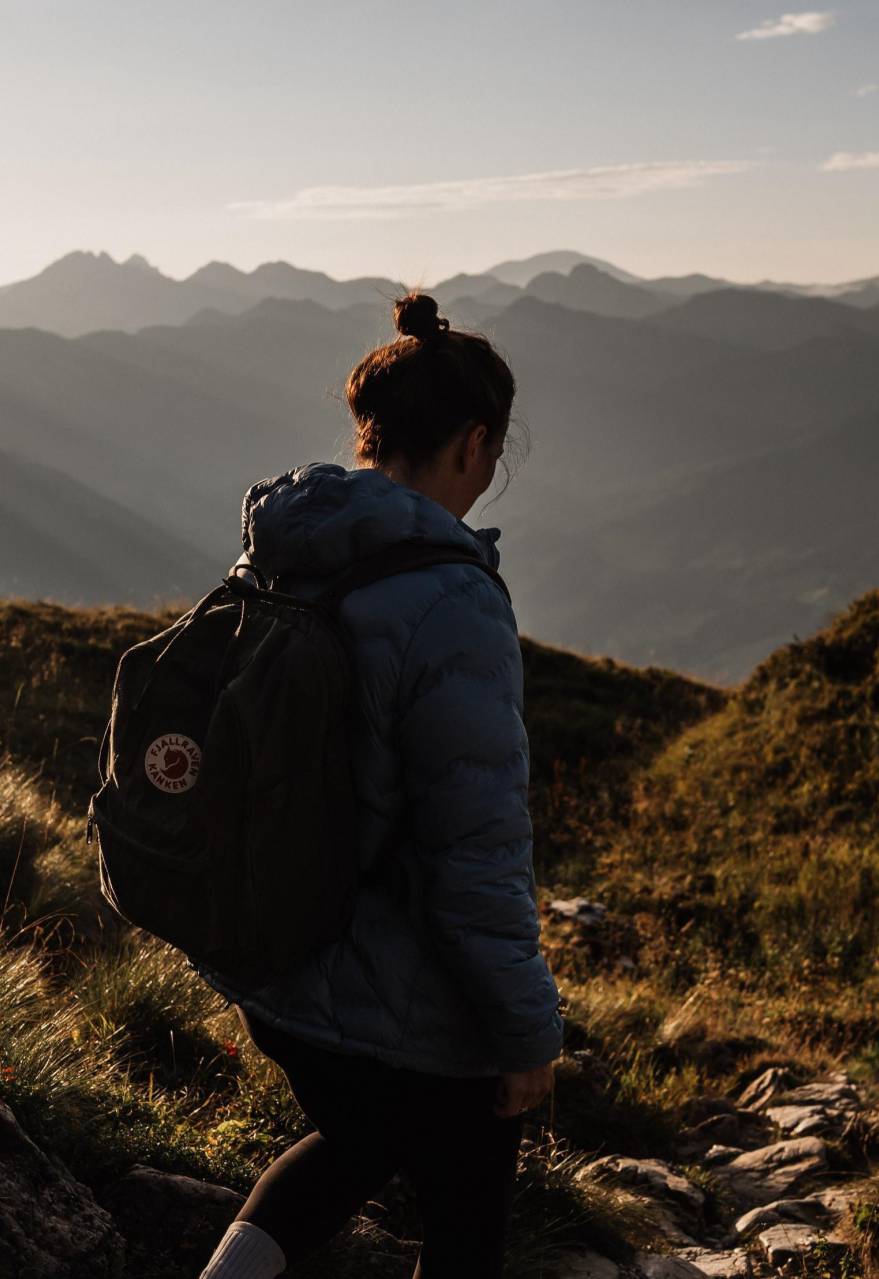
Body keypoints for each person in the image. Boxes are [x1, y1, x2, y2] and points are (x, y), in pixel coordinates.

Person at [192, 292, 564, 1279]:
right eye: (491, 453)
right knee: (469, 1166)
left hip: (273, 952)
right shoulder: (449, 596)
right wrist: (525, 1031)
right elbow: (473, 842)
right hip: (384, 977)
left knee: (365, 1135)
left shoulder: (279, 553)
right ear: (473, 441)